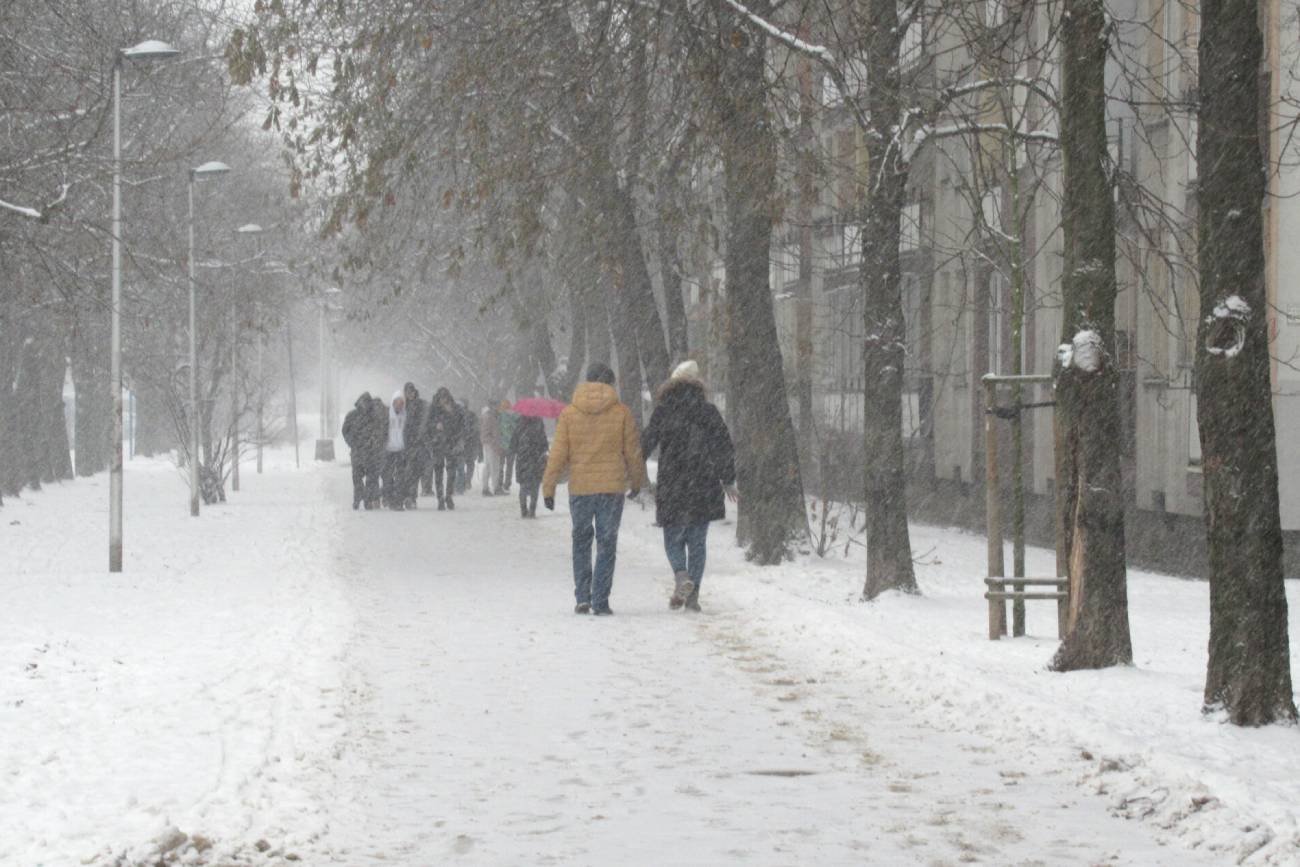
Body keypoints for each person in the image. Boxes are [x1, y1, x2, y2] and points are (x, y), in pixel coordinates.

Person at [542, 363, 646, 616]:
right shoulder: (622, 413)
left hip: (580, 488)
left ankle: (582, 597)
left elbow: (558, 454)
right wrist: (636, 482)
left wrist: (549, 487)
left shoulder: (569, 414)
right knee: (606, 543)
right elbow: (632, 453)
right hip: (611, 488)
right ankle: (600, 599)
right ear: (610, 384)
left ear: (587, 381)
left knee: (581, 541)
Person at [641, 360, 737, 612]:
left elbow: (646, 442)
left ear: (672, 384)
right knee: (697, 543)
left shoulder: (664, 410)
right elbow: (724, 446)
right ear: (698, 385)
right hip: (703, 483)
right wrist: (727, 479)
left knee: (672, 538)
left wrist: (632, 470)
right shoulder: (708, 412)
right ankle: (693, 597)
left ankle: (681, 576)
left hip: (672, 482)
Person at [427, 386, 464, 510]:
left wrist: (451, 414)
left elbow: (461, 425)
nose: (443, 400)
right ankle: (440, 498)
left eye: (445, 398)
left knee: (451, 472)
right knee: (438, 472)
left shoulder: (455, 409)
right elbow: (427, 425)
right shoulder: (433, 409)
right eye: (441, 398)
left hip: (451, 443)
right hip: (437, 444)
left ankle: (448, 495)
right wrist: (435, 426)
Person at [341, 391, 376, 509]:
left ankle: (368, 500)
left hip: (371, 452)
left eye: (367, 402)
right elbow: (345, 431)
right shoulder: (352, 415)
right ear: (359, 402)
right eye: (363, 402)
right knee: (357, 477)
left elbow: (379, 431)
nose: (365, 404)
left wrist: (373, 442)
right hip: (356, 451)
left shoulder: (374, 416)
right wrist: (352, 443)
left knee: (370, 478)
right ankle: (357, 498)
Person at [510, 414, 548, 518]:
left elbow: (513, 445)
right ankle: (532, 510)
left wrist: (520, 449)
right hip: (536, 460)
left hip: (522, 460)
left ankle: (523, 510)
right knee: (535, 486)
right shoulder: (538, 424)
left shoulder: (519, 424)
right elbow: (544, 444)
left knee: (523, 485)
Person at [403, 382, 429, 508]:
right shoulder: (402, 405)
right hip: (405, 443)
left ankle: (411, 497)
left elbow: (425, 422)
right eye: (407, 392)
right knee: (407, 472)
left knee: (415, 472)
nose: (410, 394)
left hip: (418, 443)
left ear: (414, 392)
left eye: (411, 392)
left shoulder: (421, 405)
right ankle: (408, 496)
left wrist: (420, 436)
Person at [383, 390, 408, 510]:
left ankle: (398, 501)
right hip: (388, 449)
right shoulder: (386, 414)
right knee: (387, 476)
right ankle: (389, 498)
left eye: (401, 403)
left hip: (401, 449)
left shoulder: (406, 415)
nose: (399, 405)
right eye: (397, 402)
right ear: (393, 402)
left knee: (400, 477)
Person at [364, 395, 389, 509]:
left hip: (379, 449)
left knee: (379, 475)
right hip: (376, 450)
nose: (377, 409)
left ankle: (379, 498)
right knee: (379, 475)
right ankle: (379, 498)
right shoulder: (370, 417)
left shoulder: (384, 416)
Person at [480, 401, 504, 496]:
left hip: (488, 443)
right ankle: (496, 488)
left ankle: (485, 488)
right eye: (497, 406)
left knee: (488, 467)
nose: (498, 408)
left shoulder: (489, 416)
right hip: (491, 444)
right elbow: (490, 433)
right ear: (492, 406)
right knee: (494, 467)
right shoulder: (490, 417)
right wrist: (495, 444)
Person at [458, 400, 480, 494]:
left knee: (461, 464)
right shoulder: (472, 415)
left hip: (463, 443)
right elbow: (476, 429)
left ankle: (462, 482)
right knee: (470, 464)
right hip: (471, 443)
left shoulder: (458, 415)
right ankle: (467, 481)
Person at [498, 400, 520, 494]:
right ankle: (507, 484)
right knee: (509, 466)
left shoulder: (500, 416)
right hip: (512, 445)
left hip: (502, 445)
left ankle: (499, 483)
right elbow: (517, 430)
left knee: (500, 465)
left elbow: (498, 430)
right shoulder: (515, 416)